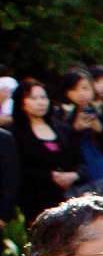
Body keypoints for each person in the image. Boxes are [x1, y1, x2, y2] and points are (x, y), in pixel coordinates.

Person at [11, 80, 84, 224]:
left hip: (67, 199)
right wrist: (49, 176)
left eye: (43, 97)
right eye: (33, 98)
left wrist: (74, 175)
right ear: (22, 102)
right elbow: (16, 168)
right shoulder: (15, 133)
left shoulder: (63, 129)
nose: (41, 102)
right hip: (33, 200)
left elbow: (79, 160)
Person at [58, 69, 103, 198]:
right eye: (74, 90)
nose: (81, 94)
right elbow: (65, 153)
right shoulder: (64, 118)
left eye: (85, 88)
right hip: (82, 178)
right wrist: (75, 131)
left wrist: (100, 130)